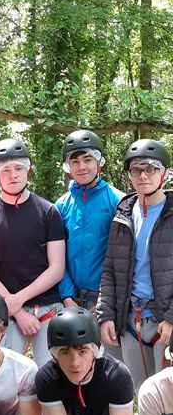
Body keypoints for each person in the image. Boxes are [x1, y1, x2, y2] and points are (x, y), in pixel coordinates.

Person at [0, 138, 66, 369]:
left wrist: (19, 300)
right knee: (4, 374)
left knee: (53, 377)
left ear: (29, 172)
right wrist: (16, 310)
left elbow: (56, 268)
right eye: (6, 170)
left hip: (47, 306)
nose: (13, 175)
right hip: (7, 307)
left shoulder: (49, 212)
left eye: (19, 169)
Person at [98, 138, 173, 392]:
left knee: (169, 395)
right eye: (136, 170)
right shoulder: (123, 214)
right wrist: (106, 314)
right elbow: (110, 269)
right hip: (131, 319)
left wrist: (171, 318)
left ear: (164, 173)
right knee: (142, 392)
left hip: (165, 319)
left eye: (150, 169)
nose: (143, 176)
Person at [55, 130, 124, 361]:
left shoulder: (118, 201)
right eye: (75, 162)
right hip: (70, 298)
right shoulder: (61, 206)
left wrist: (106, 301)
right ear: (68, 167)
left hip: (105, 301)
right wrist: (66, 296)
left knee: (108, 366)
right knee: (74, 364)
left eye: (87, 160)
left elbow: (123, 258)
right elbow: (56, 256)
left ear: (99, 162)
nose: (81, 167)